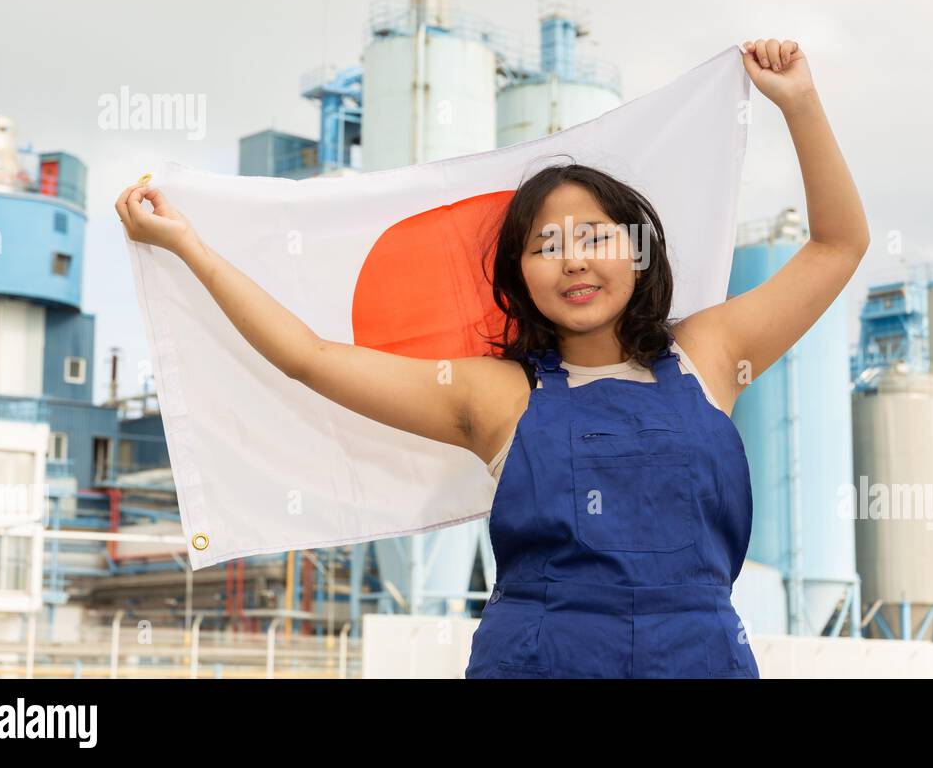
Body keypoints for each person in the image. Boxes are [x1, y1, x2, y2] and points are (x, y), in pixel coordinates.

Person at [115, 37, 869, 678]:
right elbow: (309, 358)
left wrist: (798, 102)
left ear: (639, 253)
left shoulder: (712, 353)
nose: (573, 260)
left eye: (595, 236)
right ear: (519, 279)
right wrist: (186, 245)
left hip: (700, 659)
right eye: (545, 245)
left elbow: (838, 246)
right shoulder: (492, 397)